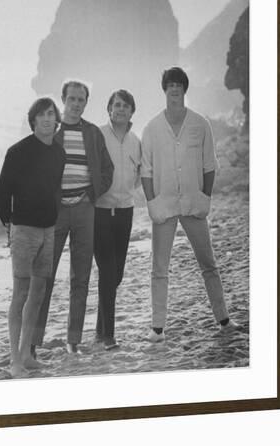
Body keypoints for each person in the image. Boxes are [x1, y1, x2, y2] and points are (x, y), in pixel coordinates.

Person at [141, 67, 238, 342]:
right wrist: (152, 203)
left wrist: (205, 197)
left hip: (195, 205)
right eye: (170, 85)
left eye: (179, 84)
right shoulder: (151, 127)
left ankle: (224, 319)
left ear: (185, 88)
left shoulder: (200, 124)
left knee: (209, 264)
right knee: (159, 268)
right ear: (165, 89)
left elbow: (210, 165)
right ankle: (157, 328)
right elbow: (146, 170)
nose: (174, 89)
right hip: (164, 207)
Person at [32, 80, 114, 355]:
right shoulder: (51, 132)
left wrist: (92, 193)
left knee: (81, 277)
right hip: (54, 212)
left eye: (81, 99)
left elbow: (107, 169)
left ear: (85, 103)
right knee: (44, 275)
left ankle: (73, 341)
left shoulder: (92, 133)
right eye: (72, 99)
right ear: (63, 100)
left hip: (83, 209)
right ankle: (33, 341)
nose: (76, 104)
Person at [0, 98, 65, 377]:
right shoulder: (18, 151)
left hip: (48, 230)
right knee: (20, 293)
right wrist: (8, 225)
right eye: (41, 115)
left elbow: (53, 190)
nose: (47, 119)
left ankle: (27, 354)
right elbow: (1, 193)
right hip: (24, 231)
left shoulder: (59, 153)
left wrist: (54, 217)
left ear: (55, 119)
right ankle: (14, 360)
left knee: (38, 293)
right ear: (33, 120)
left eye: (51, 114)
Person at [94, 90, 141, 350]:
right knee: (107, 272)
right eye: (116, 105)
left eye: (125, 106)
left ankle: (99, 330)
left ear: (132, 111)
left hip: (125, 212)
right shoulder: (98, 135)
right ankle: (108, 336)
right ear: (109, 109)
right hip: (100, 212)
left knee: (117, 274)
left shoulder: (136, 140)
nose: (120, 109)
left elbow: (138, 174)